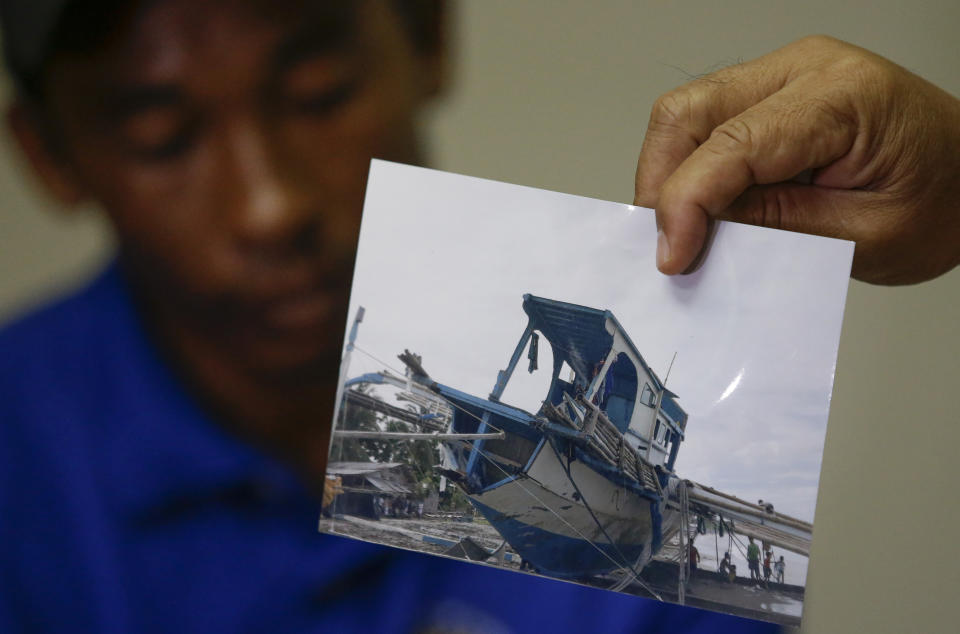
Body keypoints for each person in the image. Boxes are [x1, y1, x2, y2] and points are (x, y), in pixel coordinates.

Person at [1, 2, 957, 630]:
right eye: (162, 137)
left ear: (428, 40)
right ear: (49, 156)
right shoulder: (22, 474)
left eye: (316, 94)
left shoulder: (669, 549)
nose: (266, 204)